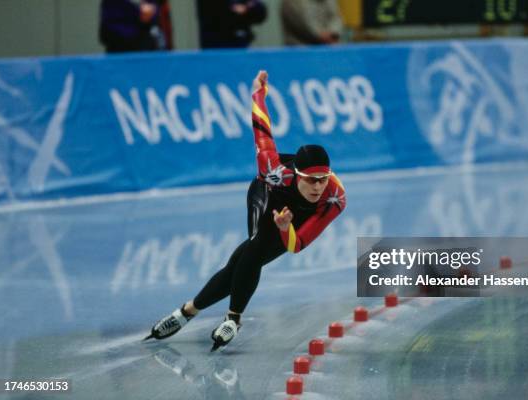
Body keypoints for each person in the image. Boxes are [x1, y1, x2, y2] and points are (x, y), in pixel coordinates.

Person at [144, 70, 346, 350]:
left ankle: (187, 312)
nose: (318, 187)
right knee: (256, 246)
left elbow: (297, 244)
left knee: (244, 259)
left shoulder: (334, 198)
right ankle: (233, 319)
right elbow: (261, 125)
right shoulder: (273, 169)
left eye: (323, 179)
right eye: (312, 180)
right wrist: (258, 92)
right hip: (267, 193)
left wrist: (286, 228)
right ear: (298, 175)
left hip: (290, 219)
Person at [99, 0, 173, 53]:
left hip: (154, 60)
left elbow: (164, 33)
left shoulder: (157, 4)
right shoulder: (112, 6)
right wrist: (137, 14)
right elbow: (106, 34)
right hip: (121, 62)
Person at [196, 0, 267, 49]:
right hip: (216, 47)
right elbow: (221, 15)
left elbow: (260, 12)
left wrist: (246, 9)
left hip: (241, 45)